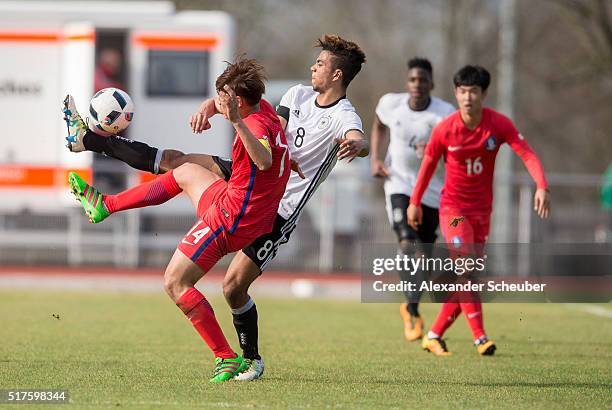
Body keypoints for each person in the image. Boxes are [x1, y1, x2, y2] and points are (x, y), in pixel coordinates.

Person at [64, 35, 369, 380]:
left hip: (277, 209)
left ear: (337, 76)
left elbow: (352, 140)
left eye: (321, 64)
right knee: (178, 164)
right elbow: (271, 132)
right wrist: (213, 105)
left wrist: (355, 144)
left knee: (233, 287)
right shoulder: (296, 95)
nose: (313, 67)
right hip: (252, 179)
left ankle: (249, 358)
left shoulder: (344, 115)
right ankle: (88, 143)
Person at [63, 56, 291, 382]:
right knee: (183, 171)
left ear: (238, 103)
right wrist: (208, 109)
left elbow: (265, 160)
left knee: (175, 282)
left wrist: (237, 122)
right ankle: (105, 204)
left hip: (231, 219)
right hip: (243, 208)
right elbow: (241, 124)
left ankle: (225, 357)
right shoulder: (264, 109)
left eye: (224, 99)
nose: (220, 102)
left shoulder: (250, 124)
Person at [407, 65, 551, 356]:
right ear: (456, 93)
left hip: (482, 213)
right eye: (462, 91)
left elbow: (527, 152)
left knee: (468, 278)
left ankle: (433, 335)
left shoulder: (498, 124)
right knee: (465, 269)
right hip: (454, 211)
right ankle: (480, 338)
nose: (467, 97)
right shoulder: (445, 129)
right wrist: (414, 201)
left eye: (473, 91)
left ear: (484, 93)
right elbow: (428, 166)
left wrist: (541, 185)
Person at [370, 57, 454, 342]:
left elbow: (456, 152)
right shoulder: (391, 103)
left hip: (432, 191)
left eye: (423, 80)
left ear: (431, 83)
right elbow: (379, 124)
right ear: (408, 83)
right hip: (398, 184)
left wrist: (435, 151)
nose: (417, 85)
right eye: (413, 80)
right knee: (407, 241)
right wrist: (376, 158)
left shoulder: (444, 114)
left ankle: (411, 307)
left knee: (426, 255)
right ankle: (412, 309)